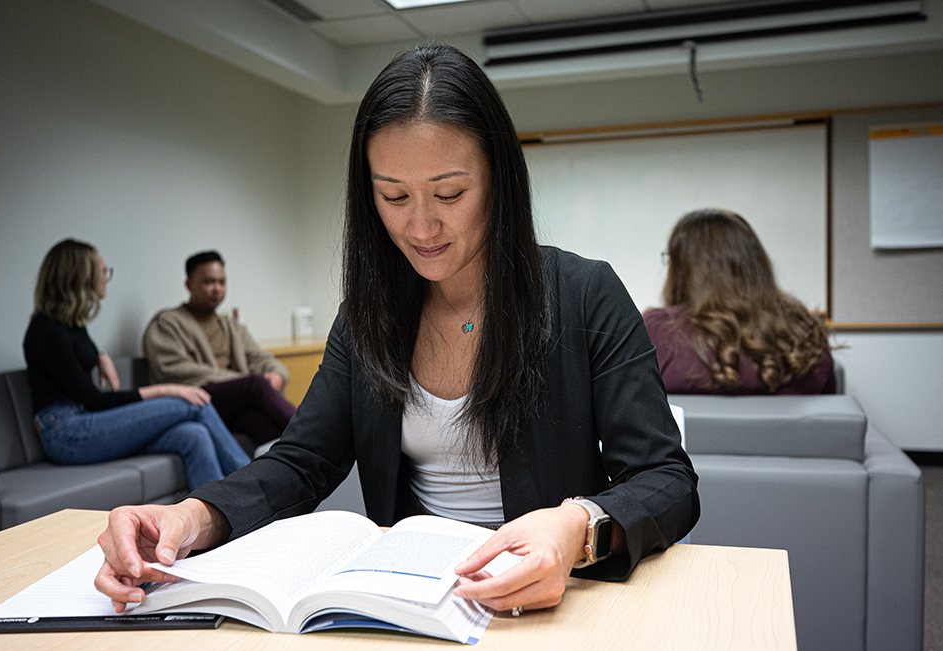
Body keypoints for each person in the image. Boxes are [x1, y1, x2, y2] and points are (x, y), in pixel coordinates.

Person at [95, 45, 699, 616]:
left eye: (450, 192)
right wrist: (189, 517)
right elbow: (303, 460)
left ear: (499, 179)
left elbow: (666, 478)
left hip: (552, 601)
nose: (421, 225)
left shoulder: (584, 295)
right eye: (393, 196)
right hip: (415, 601)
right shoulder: (368, 314)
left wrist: (577, 527)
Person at [24, 239, 253, 490]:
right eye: (102, 271)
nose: (105, 277)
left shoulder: (71, 324)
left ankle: (220, 518)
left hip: (86, 420)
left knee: (194, 435)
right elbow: (94, 400)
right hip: (66, 433)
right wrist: (167, 389)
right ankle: (259, 486)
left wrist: (101, 356)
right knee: (193, 403)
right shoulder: (45, 329)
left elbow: (75, 355)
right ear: (82, 277)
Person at [643, 208, 836, 395]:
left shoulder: (656, 331)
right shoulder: (804, 333)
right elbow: (831, 418)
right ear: (755, 263)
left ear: (679, 267)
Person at [143, 251, 296, 446]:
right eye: (209, 282)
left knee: (261, 424)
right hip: (196, 400)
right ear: (189, 285)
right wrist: (244, 382)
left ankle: (298, 470)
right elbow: (173, 370)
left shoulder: (230, 325)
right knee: (256, 386)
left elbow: (258, 357)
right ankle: (315, 436)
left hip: (231, 403)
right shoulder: (167, 323)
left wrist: (276, 373)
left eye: (222, 282)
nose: (217, 289)